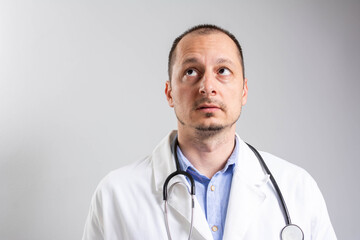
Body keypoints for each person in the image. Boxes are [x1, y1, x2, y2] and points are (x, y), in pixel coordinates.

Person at [82, 24, 337, 240]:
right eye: (191, 72)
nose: (207, 86)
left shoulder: (297, 188)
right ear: (170, 92)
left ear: (244, 91)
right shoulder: (116, 194)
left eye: (222, 71)